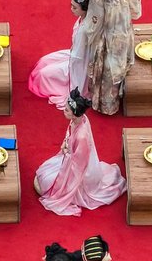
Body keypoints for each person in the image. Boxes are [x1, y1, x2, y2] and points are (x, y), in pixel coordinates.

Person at [34, 88, 126, 216]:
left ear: (74, 114)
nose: (63, 111)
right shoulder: (80, 118)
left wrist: (66, 151)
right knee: (45, 175)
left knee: (47, 183)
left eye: (66, 110)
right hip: (71, 157)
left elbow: (79, 163)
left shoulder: (81, 136)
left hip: (78, 171)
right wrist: (66, 145)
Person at [82, 0, 142, 114]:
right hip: (123, 19)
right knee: (120, 56)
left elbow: (96, 17)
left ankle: (109, 104)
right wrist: (132, 10)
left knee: (109, 64)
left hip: (109, 27)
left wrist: (88, 33)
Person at [28, 0, 92, 109]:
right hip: (74, 54)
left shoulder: (86, 28)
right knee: (44, 61)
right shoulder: (82, 19)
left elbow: (79, 59)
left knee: (43, 75)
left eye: (75, 8)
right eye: (71, 6)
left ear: (84, 9)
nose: (71, 10)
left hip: (79, 63)